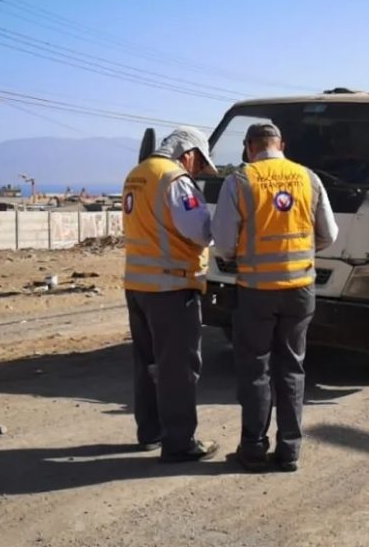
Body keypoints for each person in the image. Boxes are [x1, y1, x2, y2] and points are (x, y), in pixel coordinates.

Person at [212, 123, 339, 472]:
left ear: (248, 147)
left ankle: (253, 448)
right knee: (291, 368)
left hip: (256, 291)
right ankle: (289, 451)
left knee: (255, 369)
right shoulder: (307, 178)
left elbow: (222, 243)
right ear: (281, 144)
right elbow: (329, 234)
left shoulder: (239, 181)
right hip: (299, 289)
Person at [121, 126, 219, 463]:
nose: (196, 172)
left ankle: (149, 432)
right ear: (187, 153)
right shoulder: (175, 180)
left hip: (137, 285)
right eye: (198, 164)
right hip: (172, 286)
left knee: (147, 362)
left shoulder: (136, 175)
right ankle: (179, 442)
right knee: (177, 368)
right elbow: (200, 231)